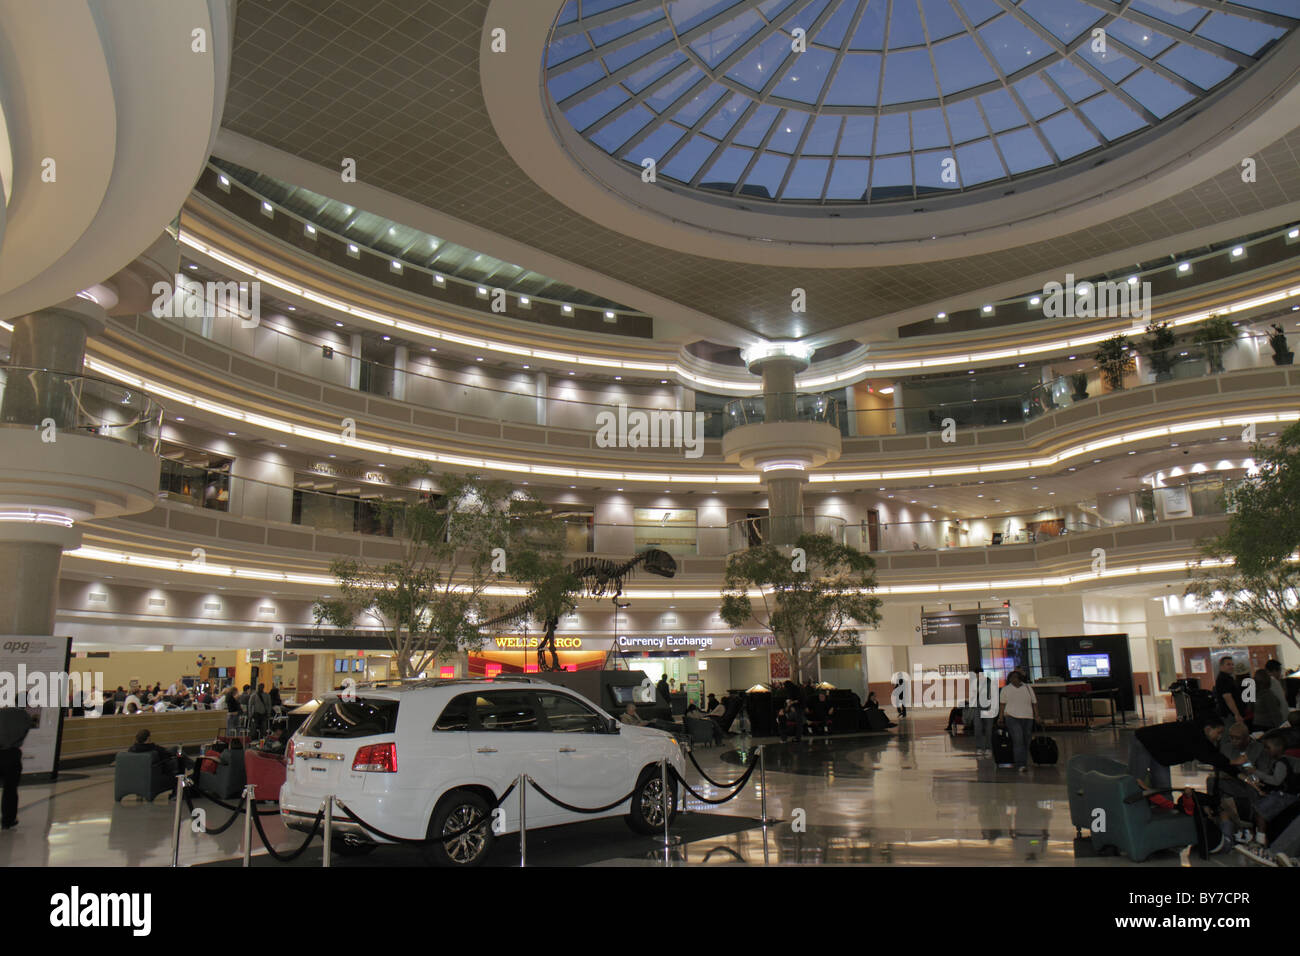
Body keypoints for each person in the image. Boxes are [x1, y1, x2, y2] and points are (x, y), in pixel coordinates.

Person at [1129, 715, 1247, 797]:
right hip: (1143, 742)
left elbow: (1215, 757)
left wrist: (1239, 775)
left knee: (1164, 788)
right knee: (1136, 782)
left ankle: (1165, 815)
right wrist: (1233, 762)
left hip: (1160, 752)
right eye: (1218, 732)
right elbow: (1207, 757)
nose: (1220, 737)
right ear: (1208, 729)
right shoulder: (1194, 734)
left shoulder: (1202, 738)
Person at [998, 670, 1039, 773]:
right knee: (1018, 739)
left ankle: (1024, 761)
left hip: (1027, 717)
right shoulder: (1005, 689)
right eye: (1011, 678)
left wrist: (1037, 715)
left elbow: (1034, 702)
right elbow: (1002, 704)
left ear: (1020, 678)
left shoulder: (1028, 688)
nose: (1013, 679)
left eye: (1015, 677)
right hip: (1011, 717)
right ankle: (1020, 764)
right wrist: (1001, 717)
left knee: (1026, 740)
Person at [0, 707, 31, 831]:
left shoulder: (2, 712)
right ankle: (8, 820)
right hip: (12, 754)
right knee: (10, 789)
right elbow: (24, 732)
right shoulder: (25, 716)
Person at [973, 672, 999, 758]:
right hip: (977, 707)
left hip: (988, 707)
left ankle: (988, 748)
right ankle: (979, 748)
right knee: (978, 728)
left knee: (988, 729)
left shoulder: (990, 683)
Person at [1214, 656, 1244, 727]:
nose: (1231, 666)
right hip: (1229, 715)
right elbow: (1227, 697)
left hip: (1231, 714)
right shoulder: (1223, 679)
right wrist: (1236, 714)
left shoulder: (1228, 678)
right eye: (1228, 664)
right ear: (1221, 666)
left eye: (1232, 664)